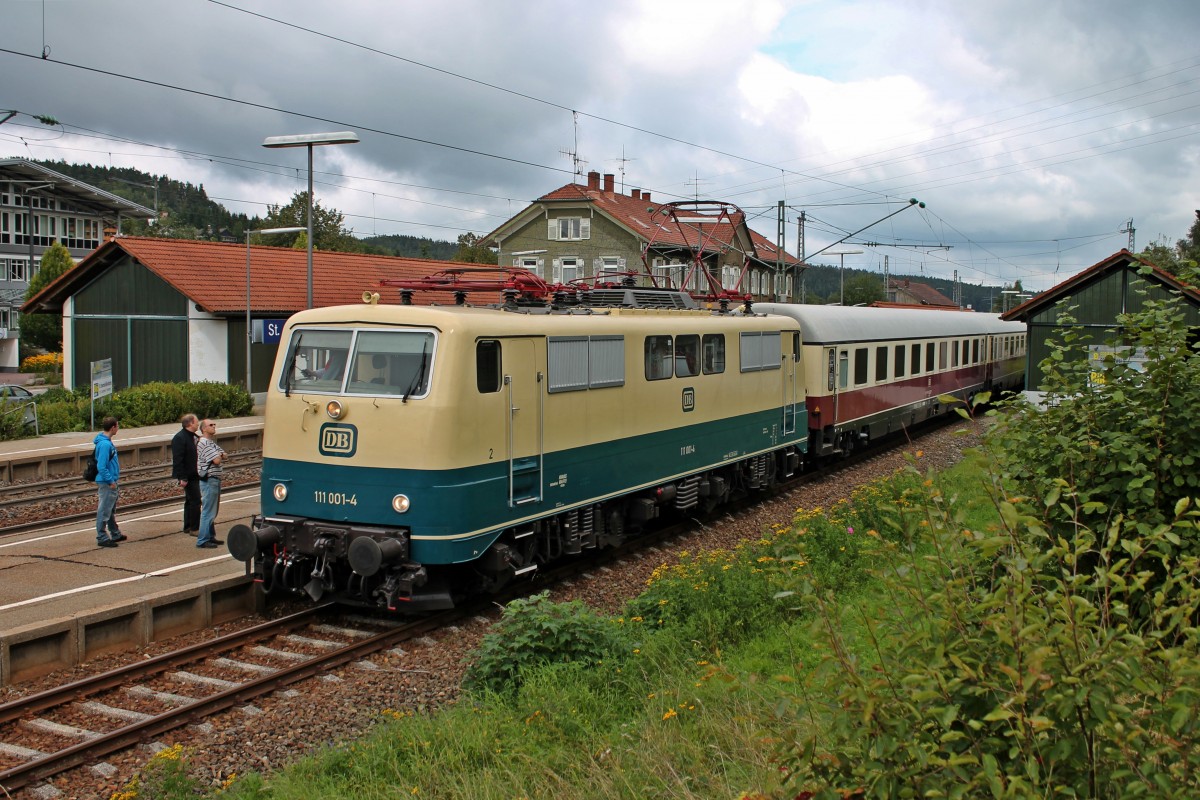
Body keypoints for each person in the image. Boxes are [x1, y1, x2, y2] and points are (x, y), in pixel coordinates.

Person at [93, 416, 126, 548]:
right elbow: (101, 466)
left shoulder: (105, 442)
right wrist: (111, 480)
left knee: (110, 509)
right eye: (117, 426)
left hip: (109, 481)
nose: (118, 428)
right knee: (104, 510)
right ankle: (101, 536)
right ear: (113, 427)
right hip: (107, 482)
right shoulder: (105, 444)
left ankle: (115, 533)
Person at [195, 418, 228, 549]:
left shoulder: (211, 443)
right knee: (208, 510)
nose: (214, 426)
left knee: (212, 510)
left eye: (214, 424)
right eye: (211, 425)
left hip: (214, 480)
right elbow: (217, 460)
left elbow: (225, 455)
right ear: (203, 429)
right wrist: (219, 455)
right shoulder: (204, 443)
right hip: (209, 480)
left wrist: (219, 454)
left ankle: (210, 536)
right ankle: (202, 540)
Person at [171, 413, 201, 536]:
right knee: (195, 501)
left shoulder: (193, 436)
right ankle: (194, 528)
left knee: (190, 500)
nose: (198, 424)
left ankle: (188, 526)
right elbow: (178, 459)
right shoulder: (180, 438)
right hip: (188, 475)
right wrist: (182, 477)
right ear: (190, 423)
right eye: (196, 422)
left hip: (194, 473)